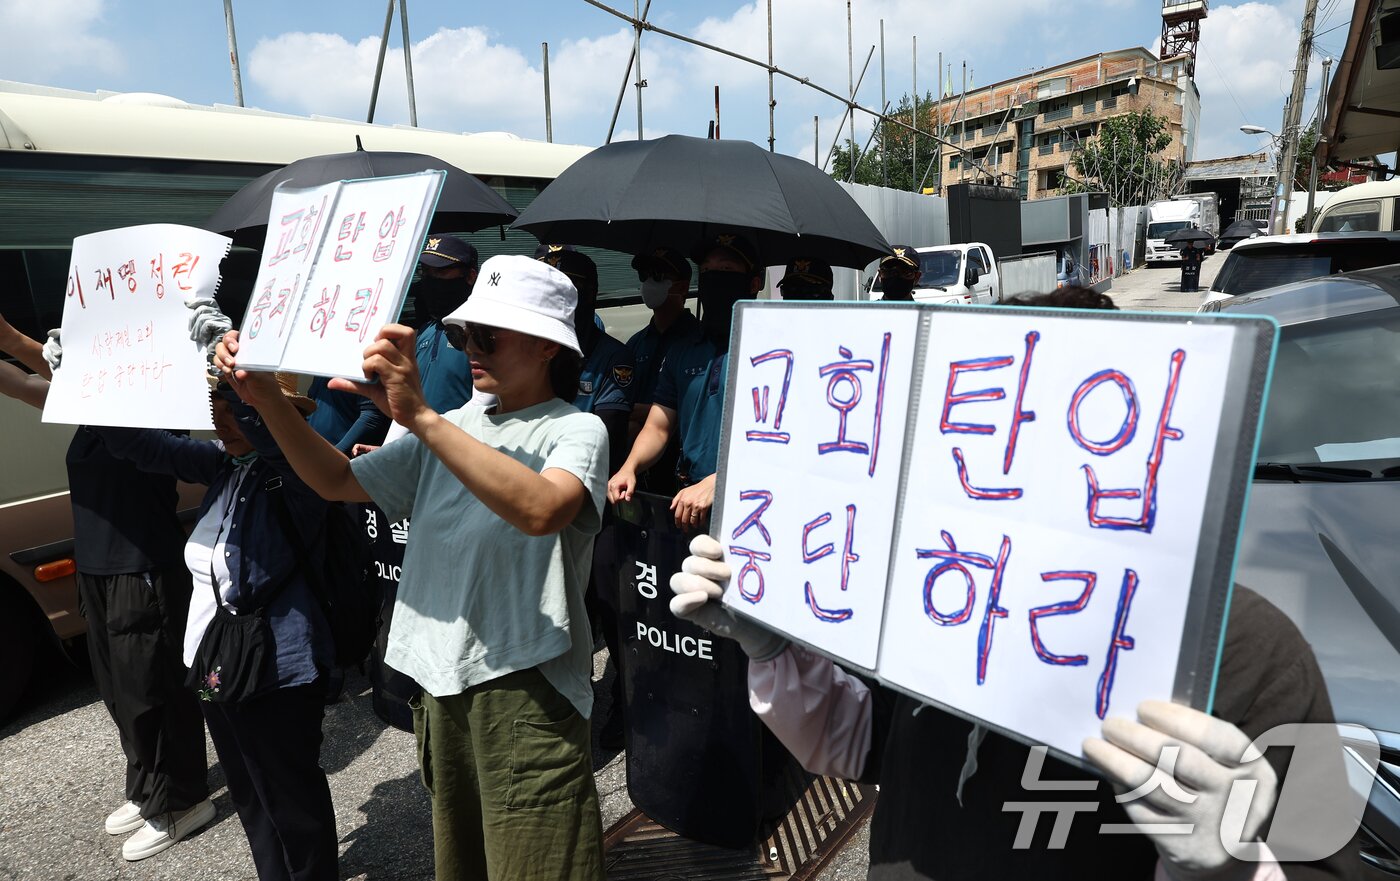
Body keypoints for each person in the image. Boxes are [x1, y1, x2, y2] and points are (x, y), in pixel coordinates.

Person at [664, 288, 1358, 881]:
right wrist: (773, 648)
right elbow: (865, 742)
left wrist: (1234, 866)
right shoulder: (944, 588)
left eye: (1071, 427)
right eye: (991, 425)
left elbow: (1322, 860)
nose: (1013, 465)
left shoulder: (1251, 650)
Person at [213, 254, 609, 881]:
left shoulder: (576, 429)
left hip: (524, 681)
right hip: (441, 679)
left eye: (489, 336)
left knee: (538, 863)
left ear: (546, 346)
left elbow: (542, 509)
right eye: (463, 334)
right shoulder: (454, 426)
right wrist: (266, 401)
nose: (470, 347)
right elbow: (336, 481)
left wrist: (419, 417)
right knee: (463, 861)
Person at [90, 367, 340, 881]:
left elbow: (271, 438)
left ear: (275, 413)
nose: (221, 420)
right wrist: (88, 386)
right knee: (247, 788)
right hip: (214, 662)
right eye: (216, 407)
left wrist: (246, 389)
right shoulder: (228, 465)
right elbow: (141, 447)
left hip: (277, 665)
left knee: (289, 793)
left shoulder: (300, 473)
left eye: (236, 408)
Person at [0, 314, 213, 862]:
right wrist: (6, 340)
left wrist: (18, 342)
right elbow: (19, 384)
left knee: (152, 689)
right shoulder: (91, 411)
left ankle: (181, 802)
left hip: (143, 566)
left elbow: (59, 380)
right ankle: (147, 788)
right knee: (120, 690)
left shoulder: (154, 407)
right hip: (97, 569)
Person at [608, 231, 764, 529]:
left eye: (726, 269)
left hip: (752, 499)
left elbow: (785, 441)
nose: (715, 277)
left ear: (754, 283)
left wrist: (721, 479)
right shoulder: (683, 350)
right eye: (707, 270)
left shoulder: (775, 350)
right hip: (688, 502)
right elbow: (659, 426)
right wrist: (630, 467)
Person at [537, 247, 635, 472]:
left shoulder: (612, 357)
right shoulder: (533, 348)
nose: (556, 299)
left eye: (566, 290)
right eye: (550, 289)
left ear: (590, 293)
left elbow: (607, 438)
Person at [624, 246, 698, 498]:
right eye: (644, 276)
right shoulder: (636, 344)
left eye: (657, 276)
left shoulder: (698, 343)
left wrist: (646, 412)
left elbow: (691, 411)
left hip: (681, 470)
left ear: (682, 287)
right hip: (636, 467)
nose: (648, 283)